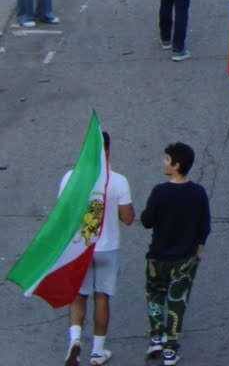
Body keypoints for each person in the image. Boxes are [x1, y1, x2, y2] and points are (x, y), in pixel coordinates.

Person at [59, 128, 133, 366]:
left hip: (79, 248)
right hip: (107, 248)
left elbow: (63, 214)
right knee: (102, 297)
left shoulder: (70, 177)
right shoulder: (118, 181)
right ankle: (98, 352)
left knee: (78, 296)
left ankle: (75, 340)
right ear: (107, 151)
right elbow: (128, 218)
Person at [140, 142, 210, 366]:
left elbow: (147, 221)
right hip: (185, 258)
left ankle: (156, 337)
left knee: (155, 295)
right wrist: (200, 249)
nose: (164, 162)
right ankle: (171, 348)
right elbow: (204, 226)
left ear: (176, 165)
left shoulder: (160, 191)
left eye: (167, 159)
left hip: (158, 256)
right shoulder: (198, 193)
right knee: (177, 300)